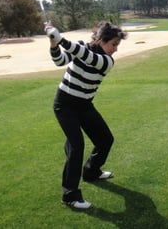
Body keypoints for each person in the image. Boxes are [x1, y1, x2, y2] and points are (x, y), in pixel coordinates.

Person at [45, 21, 127, 210]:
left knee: (105, 139)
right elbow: (59, 61)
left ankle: (91, 171)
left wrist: (60, 38)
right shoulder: (81, 46)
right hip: (64, 105)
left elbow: (87, 57)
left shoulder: (106, 61)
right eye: (113, 44)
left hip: (84, 105)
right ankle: (70, 196)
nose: (115, 49)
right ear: (101, 39)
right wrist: (53, 42)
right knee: (76, 146)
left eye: (117, 45)